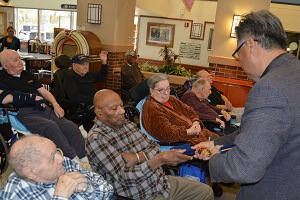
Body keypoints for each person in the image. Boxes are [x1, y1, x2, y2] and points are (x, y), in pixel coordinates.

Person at [193, 10, 300, 199]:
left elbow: (243, 168)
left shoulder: (269, 88)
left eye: (237, 53)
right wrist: (213, 143)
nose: (239, 61)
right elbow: (254, 132)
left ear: (250, 44)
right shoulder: (293, 71)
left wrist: (213, 157)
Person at [86, 89, 213, 200]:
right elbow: (125, 177)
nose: (122, 111)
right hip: (140, 194)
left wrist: (137, 157)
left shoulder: (127, 124)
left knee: (206, 192)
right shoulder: (97, 139)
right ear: (99, 112)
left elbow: (154, 146)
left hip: (161, 183)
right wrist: (157, 160)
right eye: (114, 108)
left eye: (121, 105)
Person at [0, 49, 86, 162]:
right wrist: (31, 97)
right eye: (16, 60)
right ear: (6, 66)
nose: (20, 62)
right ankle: (73, 160)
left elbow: (44, 92)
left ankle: (83, 159)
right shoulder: (2, 78)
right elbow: (5, 99)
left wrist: (56, 105)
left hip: (43, 109)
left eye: (19, 58)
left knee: (71, 127)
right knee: (51, 127)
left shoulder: (27, 75)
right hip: (24, 113)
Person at [0, 136, 113, 199]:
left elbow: (107, 189)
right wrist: (61, 196)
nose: (61, 158)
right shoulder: (15, 194)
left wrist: (87, 188)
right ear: (31, 172)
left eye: (56, 151)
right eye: (51, 158)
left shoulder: (64, 165)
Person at [142, 73, 219, 145]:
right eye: (161, 90)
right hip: (187, 143)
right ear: (151, 90)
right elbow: (165, 132)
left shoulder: (171, 99)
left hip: (200, 134)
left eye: (168, 88)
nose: (166, 93)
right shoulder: (151, 108)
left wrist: (196, 121)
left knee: (224, 142)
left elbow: (189, 110)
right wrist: (188, 132)